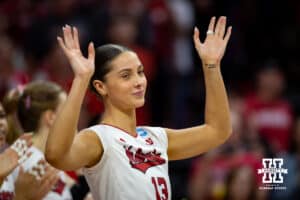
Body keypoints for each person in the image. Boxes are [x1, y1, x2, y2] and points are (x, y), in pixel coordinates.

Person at [45, 16, 232, 200]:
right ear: (101, 86)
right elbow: (56, 156)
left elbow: (218, 131)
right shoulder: (98, 138)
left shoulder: (156, 138)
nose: (138, 82)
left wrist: (212, 66)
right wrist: (81, 80)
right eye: (126, 75)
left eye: (140, 72)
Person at [2, 81, 74, 200]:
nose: (73, 117)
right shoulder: (40, 165)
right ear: (51, 117)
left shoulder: (20, 154)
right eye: (67, 110)